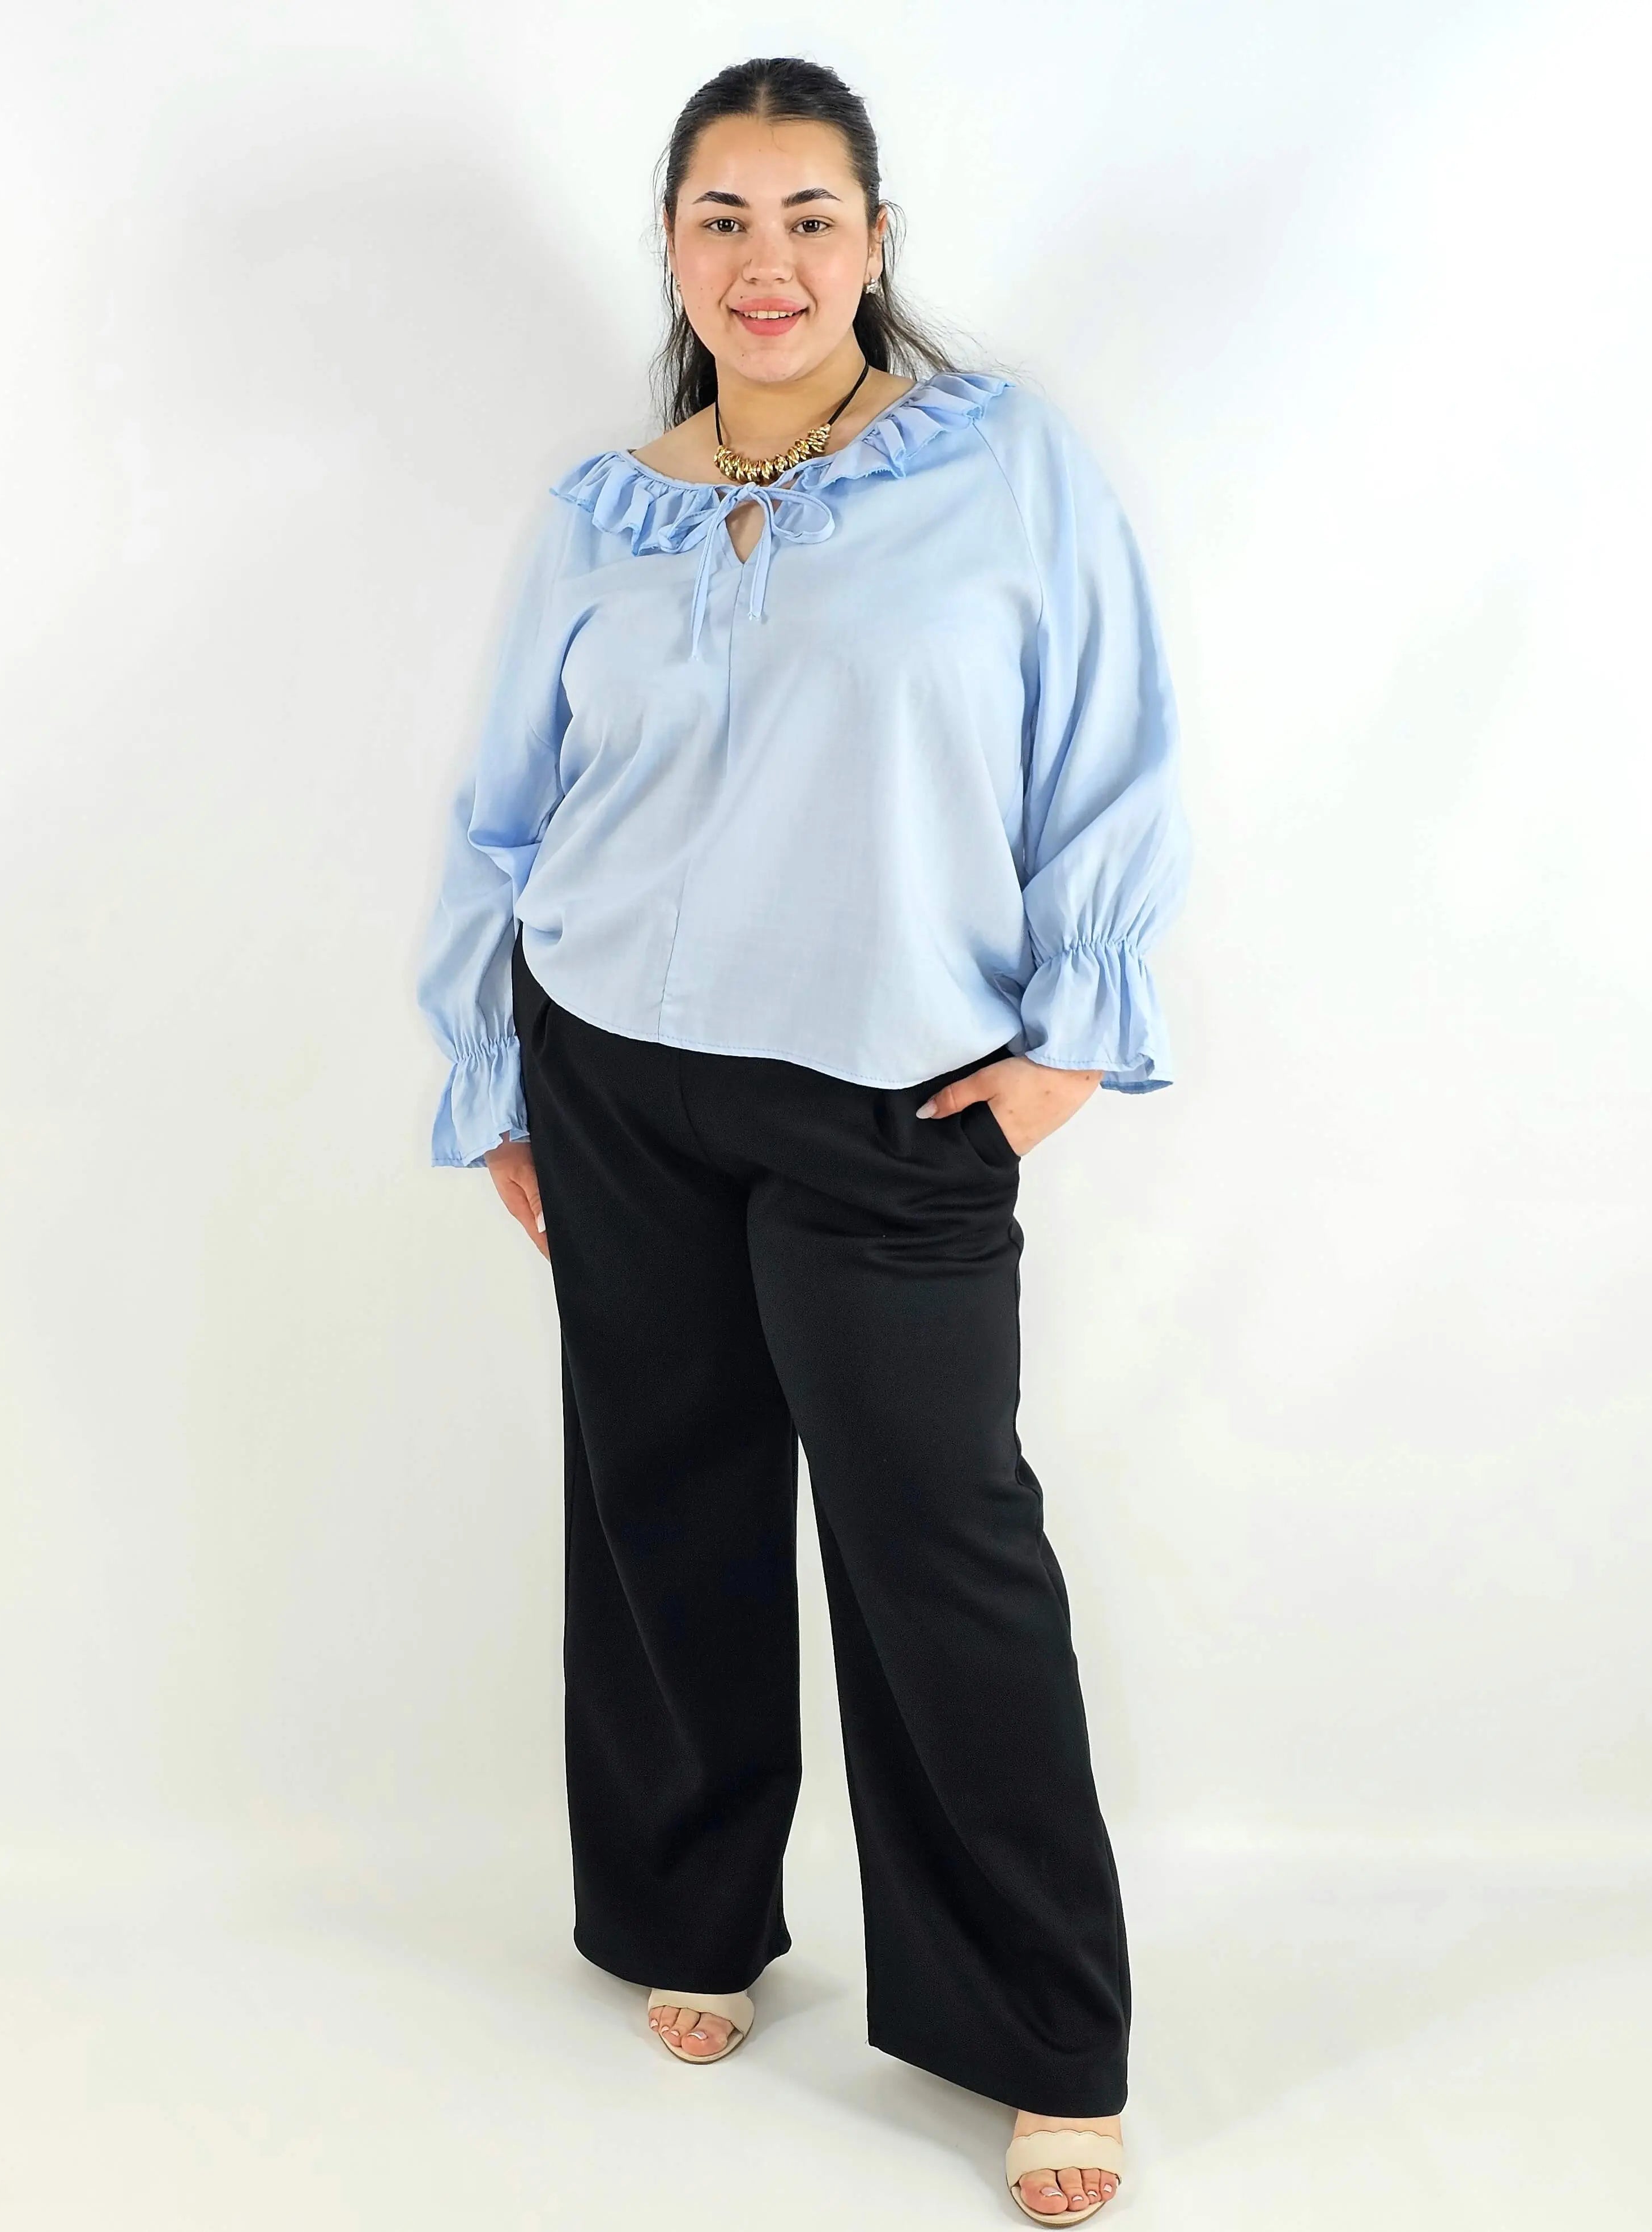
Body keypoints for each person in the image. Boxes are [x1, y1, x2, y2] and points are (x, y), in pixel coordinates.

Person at [415, 53, 1190, 2225]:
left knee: (941, 1543)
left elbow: (1110, 743)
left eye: (808, 217)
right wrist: (497, 1072)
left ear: (874, 241)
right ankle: (691, 1911)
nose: (766, 262)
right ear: (671, 248)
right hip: (616, 1073)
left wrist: (1069, 1038)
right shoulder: (601, 511)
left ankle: (1041, 2034)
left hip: (891, 1095)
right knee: (660, 1505)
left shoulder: (1000, 464)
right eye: (722, 218)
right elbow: (505, 812)